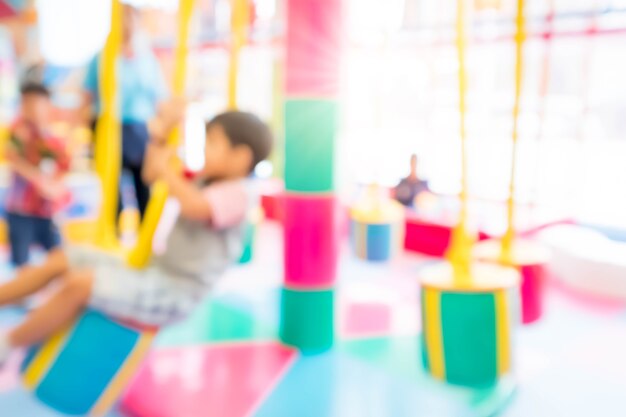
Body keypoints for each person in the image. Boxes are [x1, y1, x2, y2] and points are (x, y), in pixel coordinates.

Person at [0, 108, 273, 365]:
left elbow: (197, 206)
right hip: (152, 269)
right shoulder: (204, 178)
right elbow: (151, 173)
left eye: (212, 143)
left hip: (176, 291)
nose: (203, 149)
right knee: (65, 258)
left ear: (241, 157)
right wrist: (163, 135)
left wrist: (169, 170)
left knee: (80, 284)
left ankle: (8, 342)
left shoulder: (241, 192)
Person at [82, 4, 168, 222]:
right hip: (107, 125)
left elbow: (159, 99)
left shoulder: (147, 60)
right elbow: (87, 97)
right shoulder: (101, 58)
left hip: (138, 128)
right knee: (112, 188)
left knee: (143, 185)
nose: (126, 24)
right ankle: (112, 234)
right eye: (121, 18)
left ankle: (145, 238)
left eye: (131, 18)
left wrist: (162, 132)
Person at [4, 82, 70, 267]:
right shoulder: (18, 131)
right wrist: (42, 182)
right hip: (21, 210)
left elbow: (63, 168)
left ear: (47, 105)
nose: (30, 109)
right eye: (26, 104)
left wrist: (54, 188)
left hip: (47, 210)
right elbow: (14, 159)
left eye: (35, 104)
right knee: (21, 263)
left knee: (58, 257)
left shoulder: (54, 138)